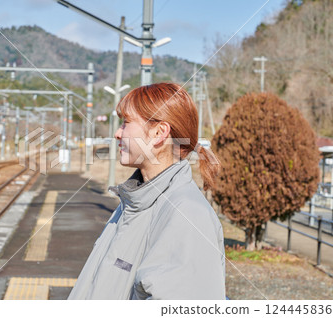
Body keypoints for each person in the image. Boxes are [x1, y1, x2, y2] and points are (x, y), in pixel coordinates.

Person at [68, 83, 225, 300]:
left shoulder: (187, 214)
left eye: (126, 123)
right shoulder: (135, 202)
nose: (117, 133)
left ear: (159, 133)